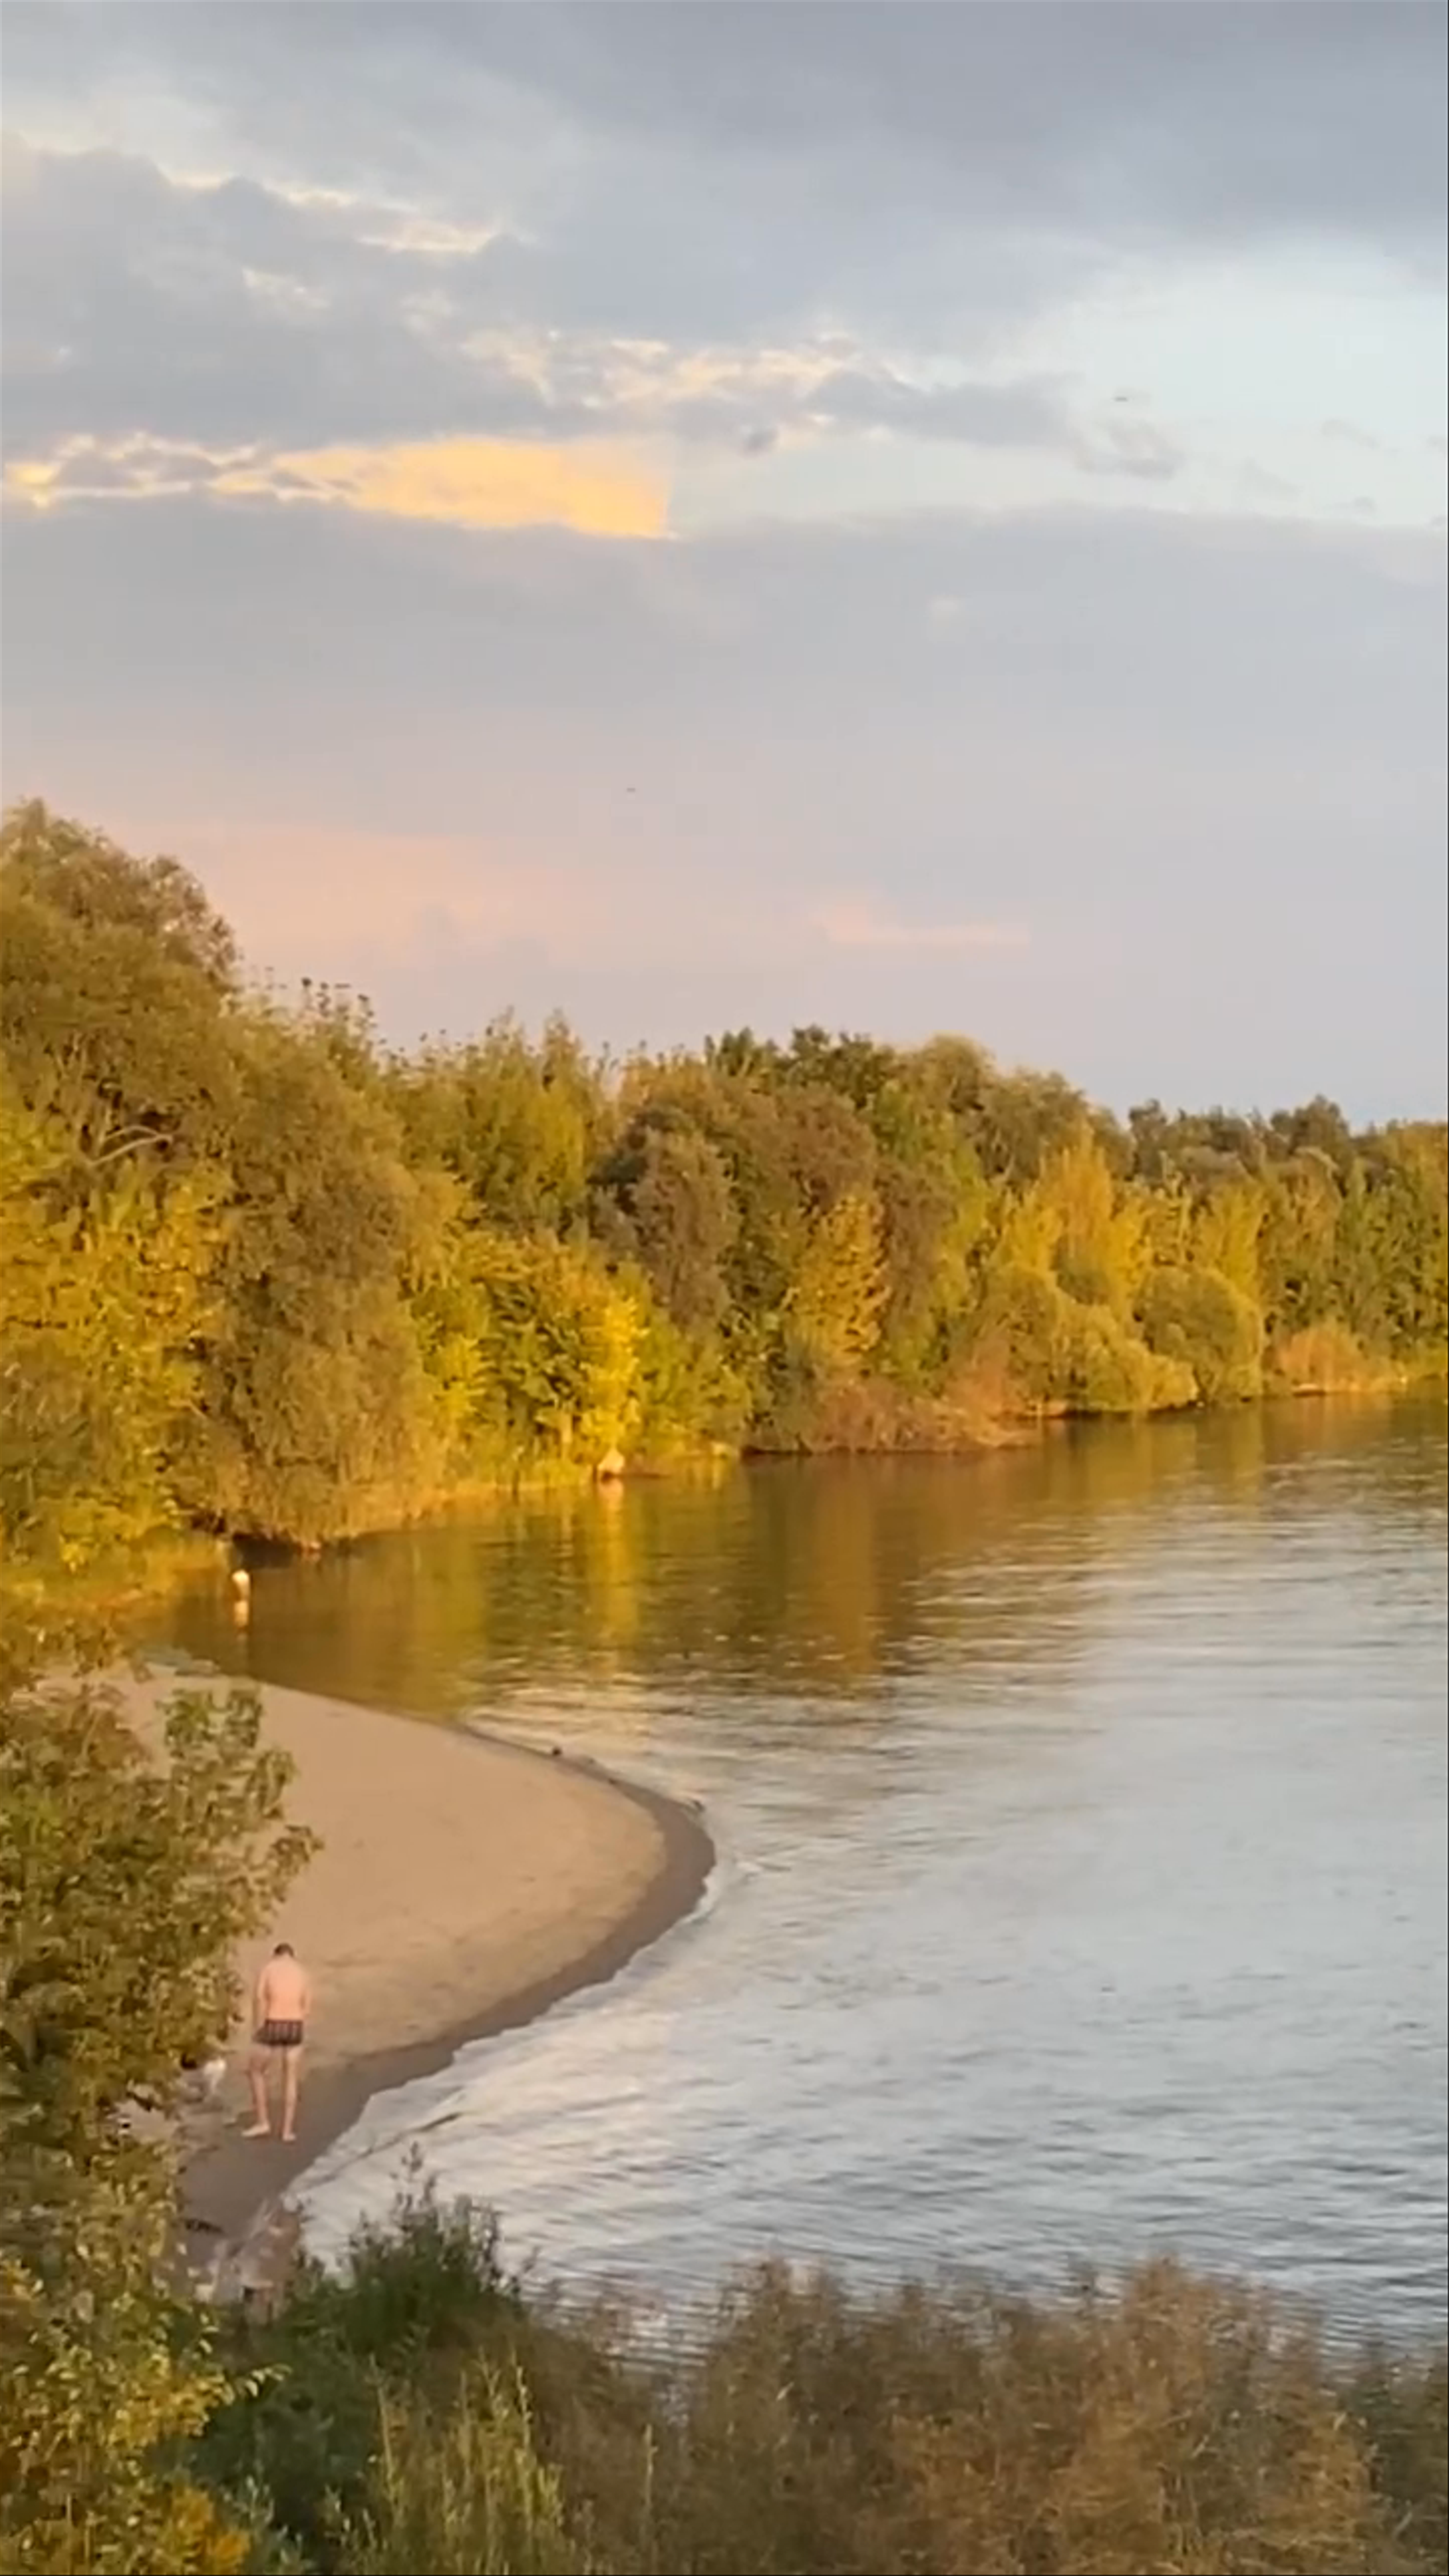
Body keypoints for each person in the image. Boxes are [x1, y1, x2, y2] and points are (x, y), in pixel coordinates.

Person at [244, 1941, 311, 2143]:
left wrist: (257, 2028)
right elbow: (307, 2006)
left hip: (273, 2022)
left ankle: (263, 2122)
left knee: (256, 2070)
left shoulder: (269, 1968)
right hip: (295, 2025)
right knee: (290, 2077)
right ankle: (287, 2131)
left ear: (276, 1955)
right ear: (292, 1955)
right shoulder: (302, 1973)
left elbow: (259, 1999)